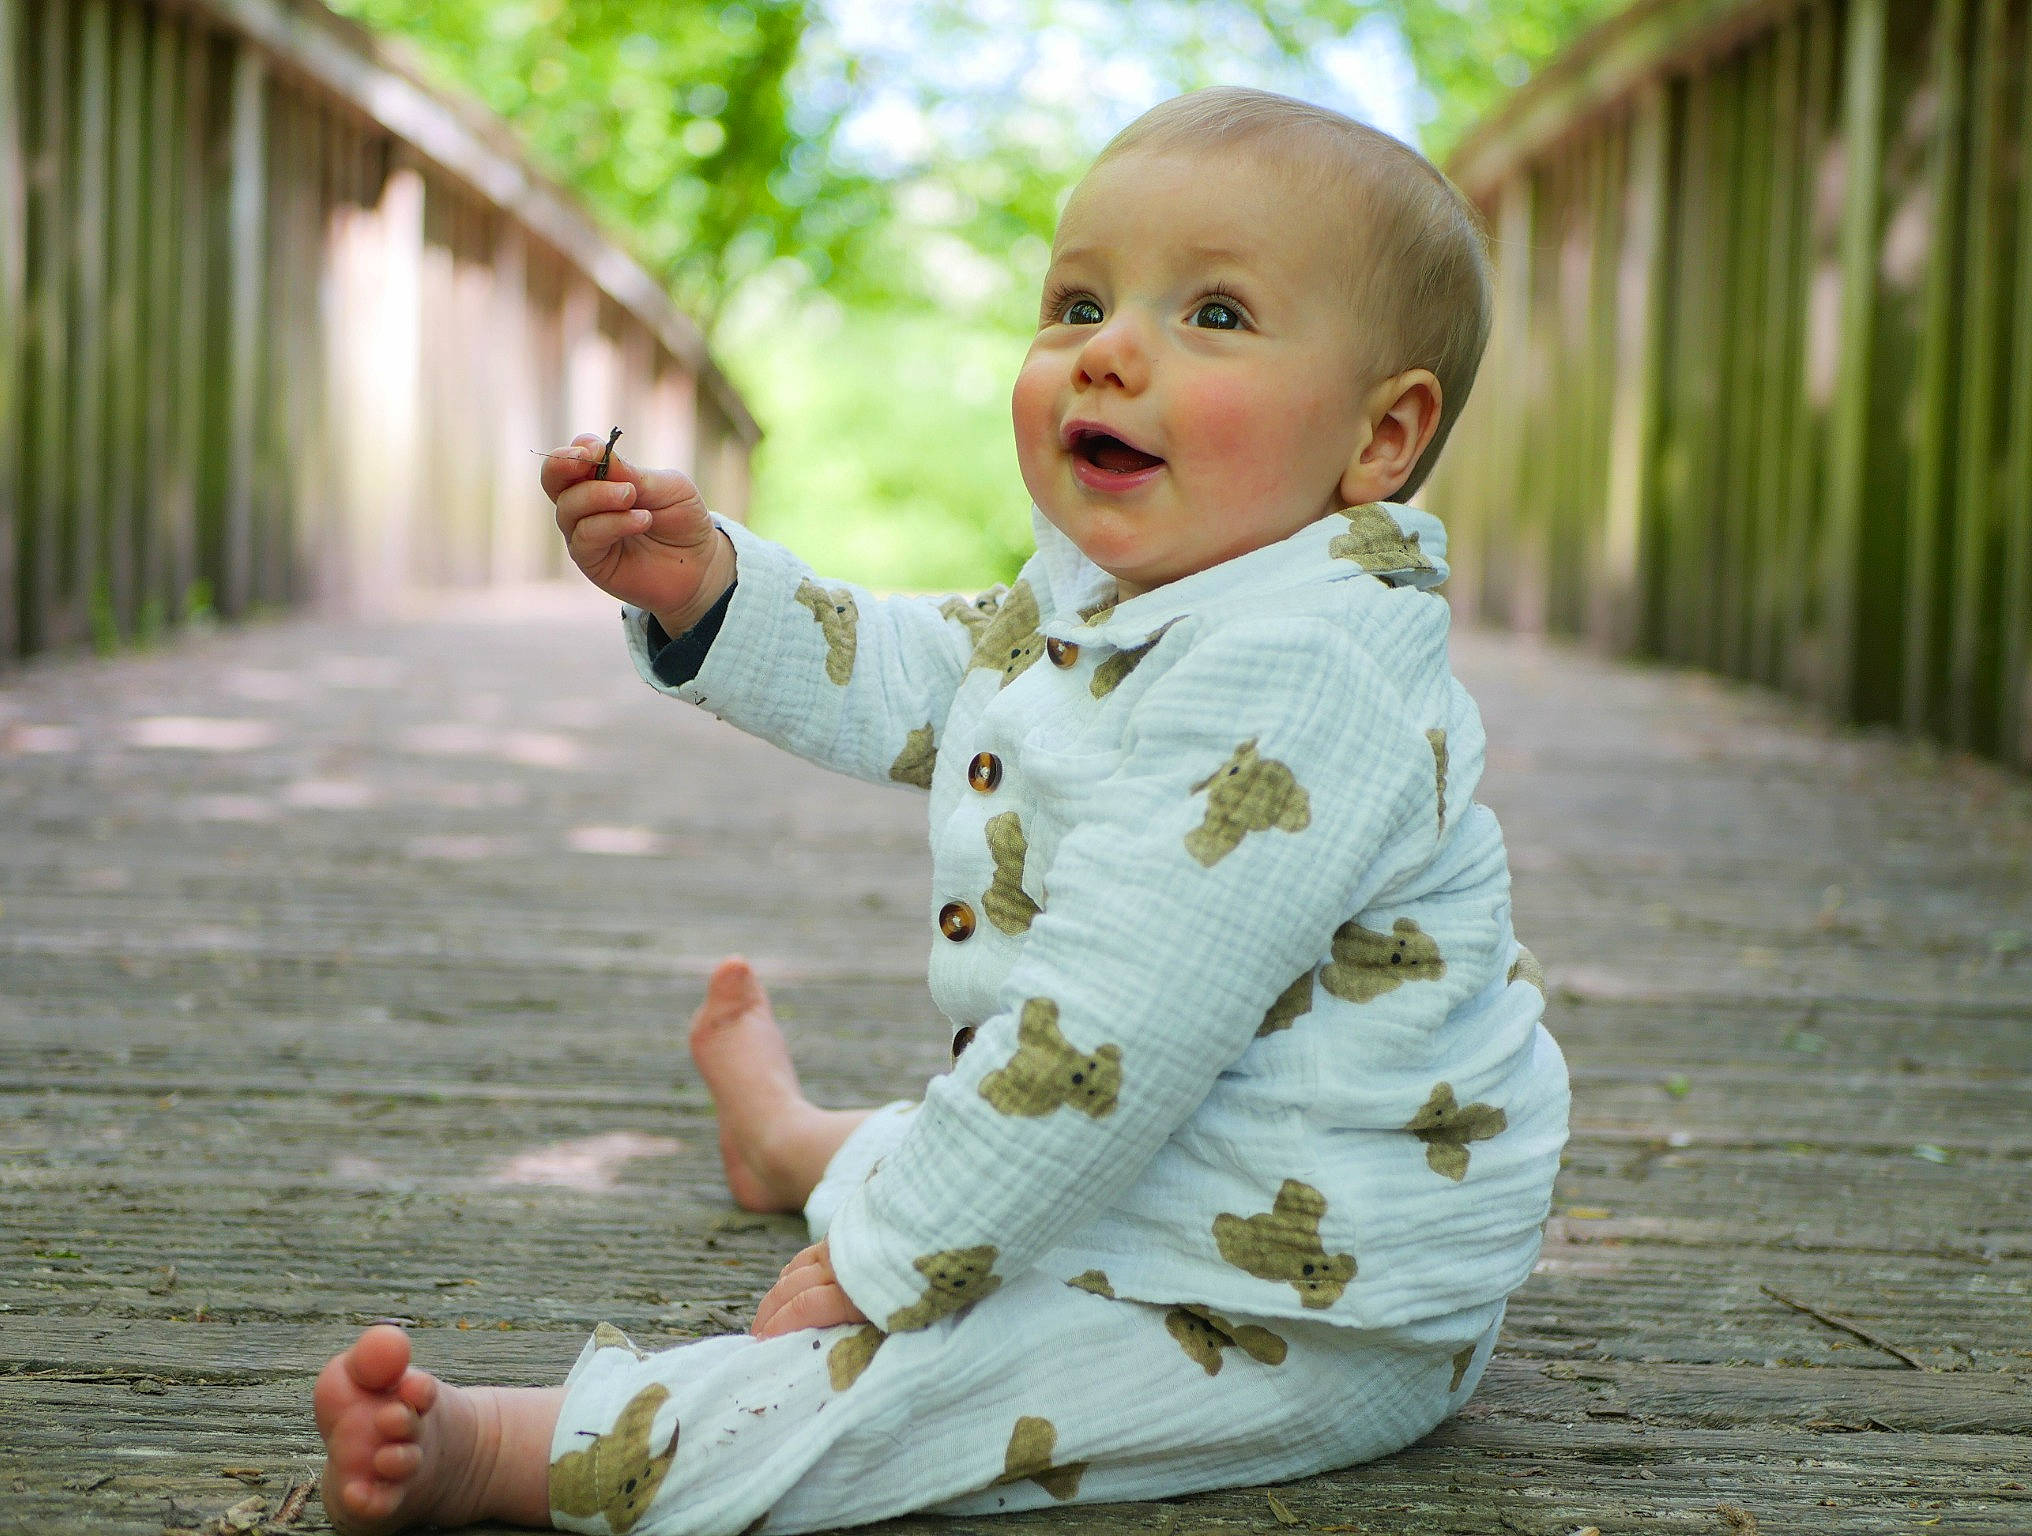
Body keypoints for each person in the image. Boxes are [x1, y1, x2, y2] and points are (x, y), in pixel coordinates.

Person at [311, 85, 1570, 1536]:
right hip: (1162, 1160)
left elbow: (1111, 1031)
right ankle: (796, 1145)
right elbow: (940, 676)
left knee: (930, 1384)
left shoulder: (1311, 677)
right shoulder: (1135, 600)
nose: (1108, 351)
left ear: (1380, 437)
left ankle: (520, 1453)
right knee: (984, 1148)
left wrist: (885, 1264)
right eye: (1077, 300)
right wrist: (713, 593)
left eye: (1214, 315)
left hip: (1304, 1295)